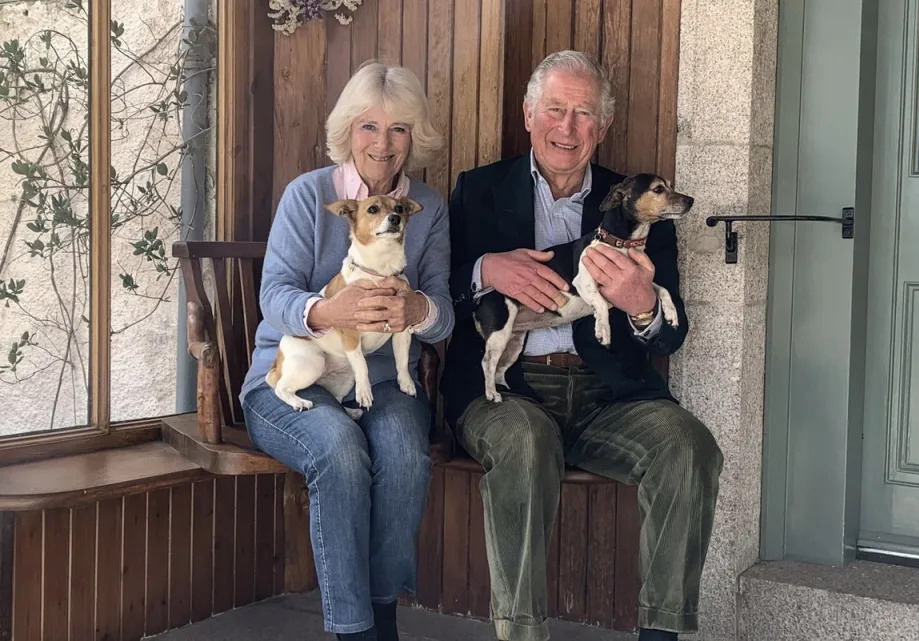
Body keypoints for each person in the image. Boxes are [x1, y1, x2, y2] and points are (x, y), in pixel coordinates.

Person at [439, 50, 723, 641]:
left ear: (604, 126)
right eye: (555, 110)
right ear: (527, 114)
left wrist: (643, 305)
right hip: (509, 392)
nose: (567, 128)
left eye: (584, 114)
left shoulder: (636, 205)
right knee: (521, 441)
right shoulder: (479, 190)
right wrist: (485, 269)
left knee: (688, 446)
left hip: (608, 397)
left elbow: (673, 332)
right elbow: (432, 293)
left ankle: (662, 632)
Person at [240, 61, 453, 641]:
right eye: (368, 127)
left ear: (415, 137)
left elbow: (443, 314)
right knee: (336, 449)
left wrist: (420, 312)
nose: (382, 145)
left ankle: (382, 612)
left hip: (383, 380)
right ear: (347, 131)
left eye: (399, 129)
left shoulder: (427, 207)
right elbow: (273, 295)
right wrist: (324, 311)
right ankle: (354, 629)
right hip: (292, 377)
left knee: (407, 453)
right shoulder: (308, 196)